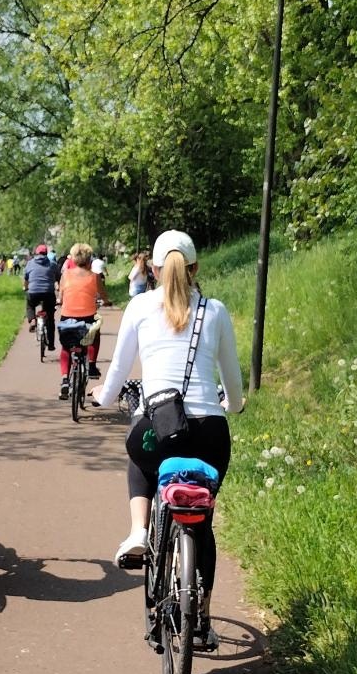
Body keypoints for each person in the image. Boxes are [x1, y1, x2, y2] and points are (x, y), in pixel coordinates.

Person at [93, 230, 243, 649]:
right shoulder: (215, 311)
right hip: (209, 432)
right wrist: (233, 404)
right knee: (203, 522)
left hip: (156, 426)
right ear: (195, 268)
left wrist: (102, 396)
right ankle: (202, 619)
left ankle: (138, 532)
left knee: (140, 457)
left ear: (153, 270)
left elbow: (118, 371)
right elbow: (232, 381)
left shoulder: (140, 306)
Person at [56, 242, 107, 397]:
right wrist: (106, 301)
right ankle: (91, 365)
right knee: (95, 334)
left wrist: (62, 301)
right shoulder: (95, 277)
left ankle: (65, 379)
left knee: (66, 347)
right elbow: (103, 295)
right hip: (88, 318)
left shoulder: (66, 275)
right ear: (89, 259)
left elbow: (61, 297)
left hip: (68, 317)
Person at [23, 243, 61, 344]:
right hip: (48, 293)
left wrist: (25, 288)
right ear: (46, 253)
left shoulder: (30, 263)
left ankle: (32, 320)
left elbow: (26, 279)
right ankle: (51, 343)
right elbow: (59, 278)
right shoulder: (52, 264)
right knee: (50, 317)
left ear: (36, 253)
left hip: (33, 292)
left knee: (30, 305)